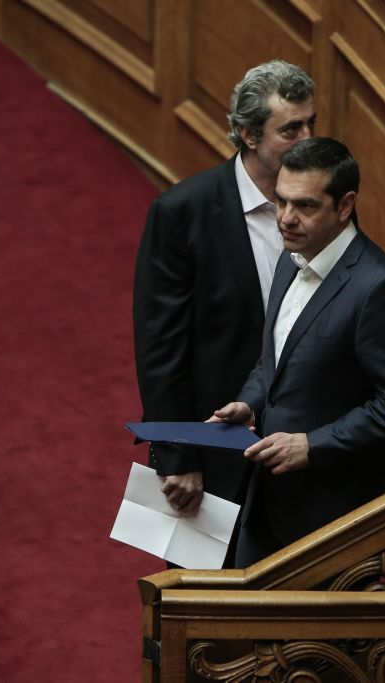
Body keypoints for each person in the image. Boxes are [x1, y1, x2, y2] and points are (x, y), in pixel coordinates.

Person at [211, 137, 385, 568]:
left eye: (305, 206)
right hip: (270, 497)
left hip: (336, 516)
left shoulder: (379, 289)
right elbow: (276, 357)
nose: (285, 218)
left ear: (345, 205)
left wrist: (313, 445)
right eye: (280, 201)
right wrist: (250, 402)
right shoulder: (292, 255)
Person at [133, 60, 316, 529]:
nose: (308, 139)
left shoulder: (325, 201)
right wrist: (177, 455)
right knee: (213, 576)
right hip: (218, 448)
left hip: (305, 443)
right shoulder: (182, 214)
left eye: (310, 124)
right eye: (291, 129)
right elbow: (161, 349)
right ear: (249, 135)